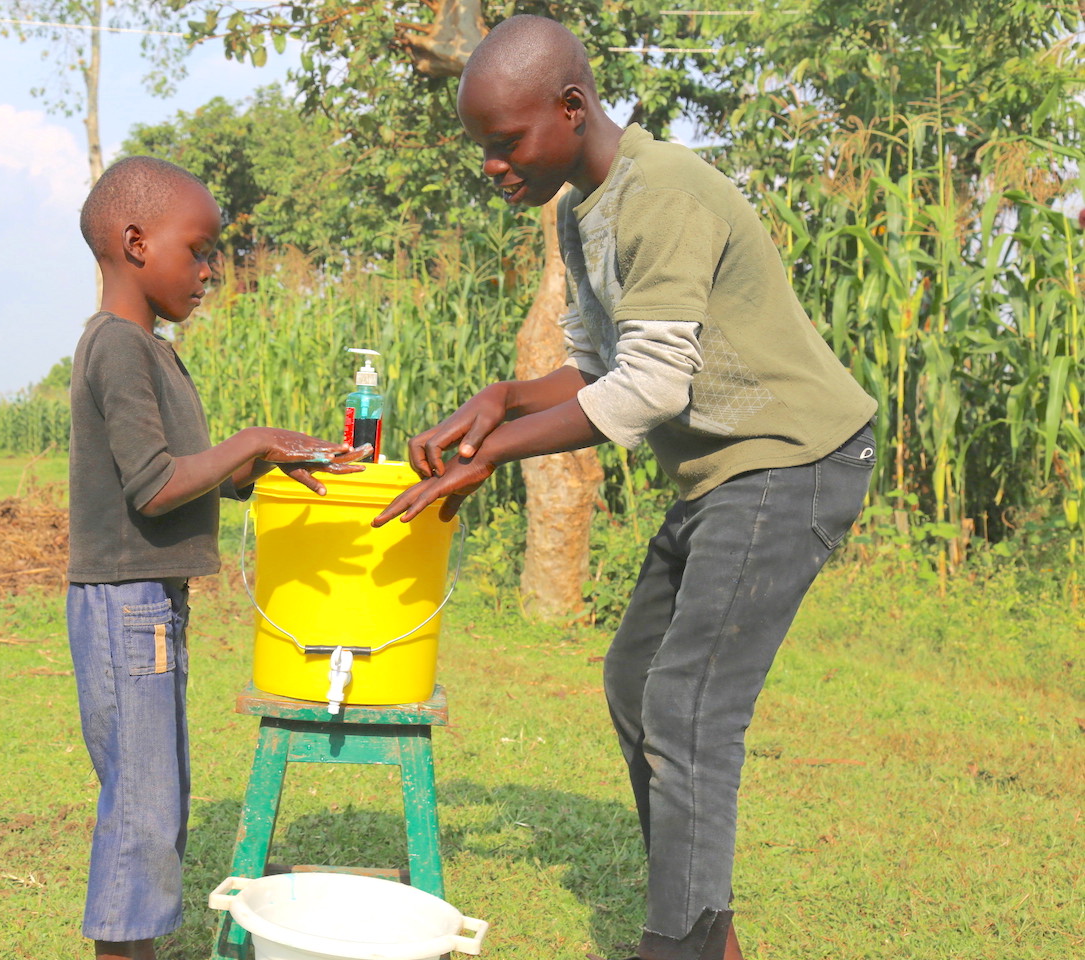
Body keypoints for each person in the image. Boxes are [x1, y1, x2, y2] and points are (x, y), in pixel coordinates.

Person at [373, 15, 877, 960]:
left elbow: (652, 387)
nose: (491, 165)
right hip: (727, 471)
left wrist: (495, 454)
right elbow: (597, 366)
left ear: (571, 109)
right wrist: (501, 398)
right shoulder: (579, 207)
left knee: (687, 707)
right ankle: (705, 934)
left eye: (505, 142)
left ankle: (679, 944)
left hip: (792, 458)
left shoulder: (664, 192)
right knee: (636, 684)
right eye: (482, 147)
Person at [67, 155, 365, 960]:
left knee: (154, 798)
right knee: (143, 806)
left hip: (148, 603)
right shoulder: (119, 348)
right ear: (135, 242)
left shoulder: (150, 349)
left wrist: (265, 461)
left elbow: (187, 477)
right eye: (197, 251)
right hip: (126, 602)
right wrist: (249, 439)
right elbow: (155, 486)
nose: (209, 273)